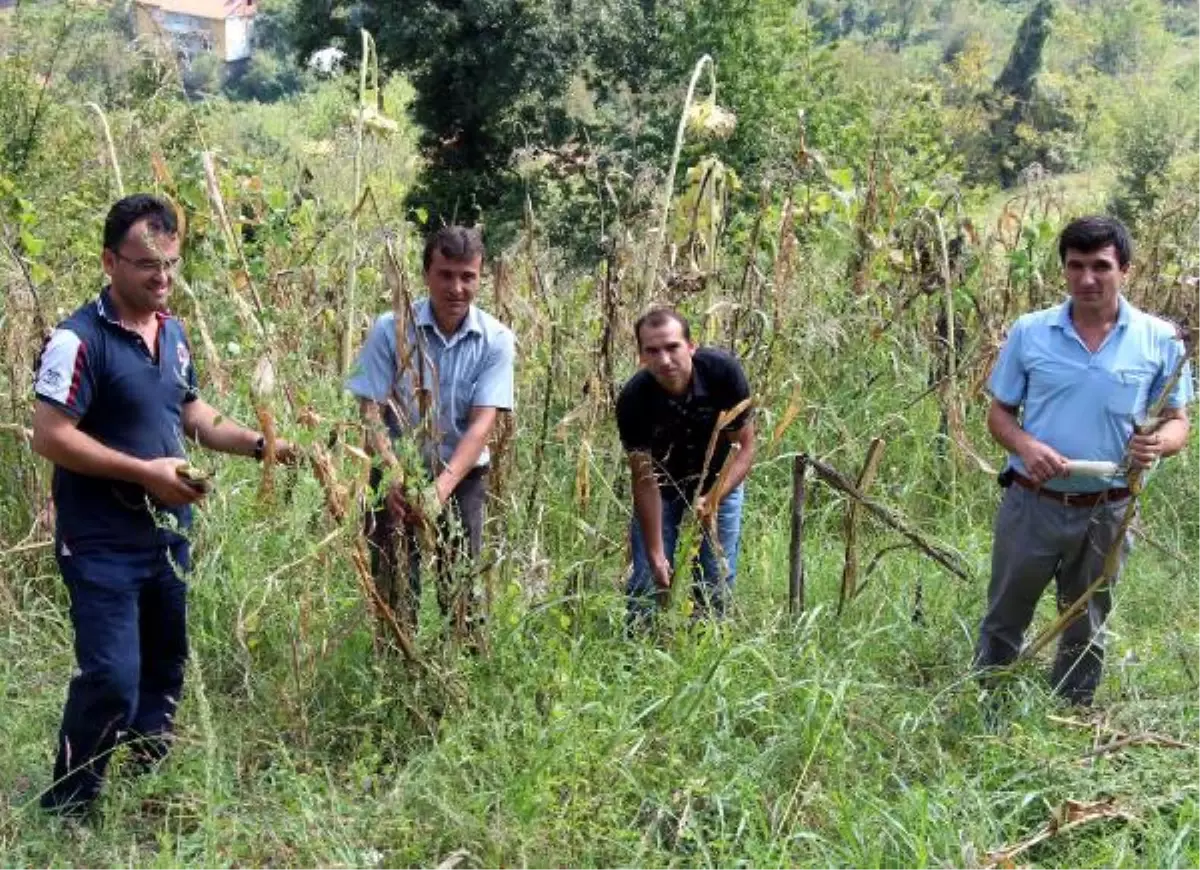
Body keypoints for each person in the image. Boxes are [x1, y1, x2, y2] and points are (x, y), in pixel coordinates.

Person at [31, 194, 297, 816]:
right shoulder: (78, 340)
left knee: (164, 665)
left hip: (167, 537)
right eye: (148, 263)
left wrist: (263, 444)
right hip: (100, 541)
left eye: (172, 264)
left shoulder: (172, 333)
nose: (163, 278)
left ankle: (146, 780)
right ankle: (69, 804)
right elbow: (51, 434)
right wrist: (144, 473)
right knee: (111, 677)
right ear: (109, 261)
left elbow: (193, 414)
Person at [974, 215, 1193, 706]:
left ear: (1126, 270)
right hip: (1034, 500)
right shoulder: (1031, 333)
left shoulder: (1161, 340)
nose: (1088, 279)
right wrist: (1027, 447)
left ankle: (1070, 714)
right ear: (1064, 270)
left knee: (1087, 619)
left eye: (1101, 266)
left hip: (1110, 508)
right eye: (1076, 266)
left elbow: (1179, 421)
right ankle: (987, 703)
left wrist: (1159, 444)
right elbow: (999, 415)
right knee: (1007, 611)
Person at [347, 225, 514, 639]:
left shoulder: (495, 339)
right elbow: (371, 409)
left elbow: (482, 425)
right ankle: (396, 677)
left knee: (459, 589)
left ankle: (464, 680)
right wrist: (393, 475)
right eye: (446, 274)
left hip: (461, 476)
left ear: (480, 277)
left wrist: (439, 490)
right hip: (395, 474)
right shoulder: (391, 329)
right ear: (426, 274)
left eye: (468, 276)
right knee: (394, 585)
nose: (457, 288)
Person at [616, 307, 755, 623]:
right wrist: (655, 552)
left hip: (721, 480)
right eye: (652, 350)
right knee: (646, 581)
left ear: (691, 346)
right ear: (640, 356)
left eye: (672, 347)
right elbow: (644, 479)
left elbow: (745, 448)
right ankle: (641, 652)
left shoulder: (723, 374)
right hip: (663, 489)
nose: (664, 360)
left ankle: (708, 646)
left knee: (715, 579)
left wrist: (715, 496)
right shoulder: (634, 399)